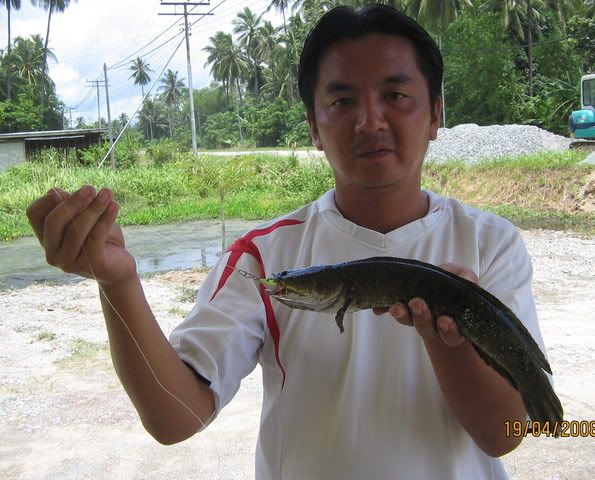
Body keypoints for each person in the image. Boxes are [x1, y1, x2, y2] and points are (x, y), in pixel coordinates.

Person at [26, 4, 551, 479]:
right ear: (314, 127)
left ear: (435, 114)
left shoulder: (490, 243)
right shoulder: (263, 258)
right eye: (342, 100)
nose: (370, 120)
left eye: (395, 95)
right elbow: (175, 417)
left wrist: (447, 338)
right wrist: (118, 283)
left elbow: (504, 435)